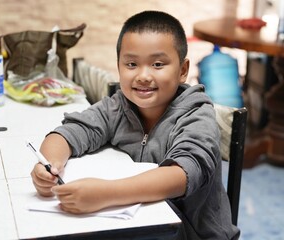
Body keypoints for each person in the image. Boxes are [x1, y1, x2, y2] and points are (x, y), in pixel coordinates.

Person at [31, 10, 240, 240]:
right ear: (119, 66)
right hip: (137, 223)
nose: (143, 75)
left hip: (193, 234)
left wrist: (106, 194)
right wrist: (49, 164)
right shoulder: (119, 105)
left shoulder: (196, 114)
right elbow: (72, 131)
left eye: (157, 64)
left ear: (182, 70)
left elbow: (182, 175)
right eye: (131, 64)